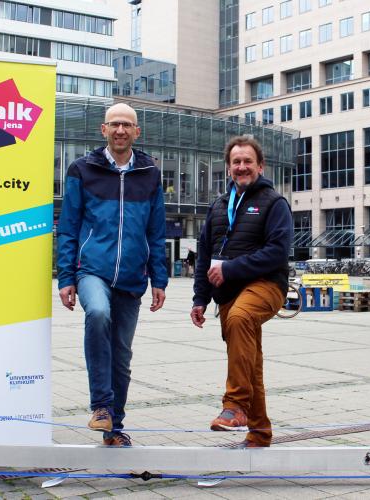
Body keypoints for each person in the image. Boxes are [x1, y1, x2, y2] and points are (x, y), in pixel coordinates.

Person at [56, 103, 167, 448]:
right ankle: (101, 405)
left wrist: (159, 279)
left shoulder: (150, 174)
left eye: (127, 125)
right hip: (92, 269)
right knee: (98, 312)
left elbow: (156, 231)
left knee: (121, 357)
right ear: (103, 130)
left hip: (132, 277)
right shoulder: (82, 170)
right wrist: (66, 277)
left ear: (137, 132)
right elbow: (69, 226)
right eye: (114, 124)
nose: (120, 130)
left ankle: (113, 428)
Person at [190, 135, 293, 448]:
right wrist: (200, 298)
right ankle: (259, 433)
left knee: (240, 317)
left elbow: (277, 252)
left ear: (260, 166)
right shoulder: (218, 206)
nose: (242, 166)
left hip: (266, 285)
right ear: (228, 168)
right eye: (236, 162)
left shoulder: (274, 203)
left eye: (248, 161)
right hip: (227, 293)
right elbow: (204, 254)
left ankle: (234, 405)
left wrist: (230, 269)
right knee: (249, 361)